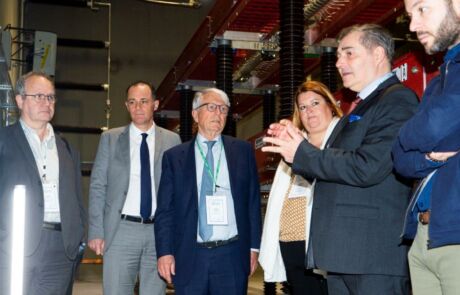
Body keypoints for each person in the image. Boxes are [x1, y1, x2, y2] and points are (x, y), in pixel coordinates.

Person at [262, 24, 419, 295]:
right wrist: (293, 151)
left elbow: (367, 167)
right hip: (345, 257)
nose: (339, 63)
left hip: (372, 259)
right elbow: (335, 173)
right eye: (337, 56)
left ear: (379, 54)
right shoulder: (360, 109)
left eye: (348, 54)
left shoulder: (397, 100)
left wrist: (303, 152)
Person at [155, 88, 261, 294]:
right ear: (195, 114)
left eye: (223, 109)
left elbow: (252, 203)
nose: (218, 114)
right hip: (190, 255)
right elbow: (165, 211)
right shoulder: (174, 157)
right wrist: (165, 252)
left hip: (232, 255)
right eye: (211, 107)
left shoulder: (242, 151)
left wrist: (254, 247)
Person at [392, 1, 460, 294]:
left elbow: (434, 125)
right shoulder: (439, 81)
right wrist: (431, 156)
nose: (412, 26)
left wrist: (407, 137)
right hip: (424, 234)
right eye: (409, 15)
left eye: (422, 9)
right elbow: (400, 158)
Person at [88, 81, 180, 295]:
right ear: (127, 106)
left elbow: (177, 191)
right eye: (132, 102)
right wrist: (96, 230)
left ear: (155, 105)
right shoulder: (110, 138)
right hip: (121, 230)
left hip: (159, 233)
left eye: (144, 101)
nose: (138, 107)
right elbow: (98, 185)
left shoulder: (172, 140)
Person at [0, 72, 86, 295]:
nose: (46, 102)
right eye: (38, 96)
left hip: (59, 249)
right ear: (20, 100)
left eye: (50, 97)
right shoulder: (4, 141)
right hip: (13, 246)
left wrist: (78, 238)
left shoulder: (66, 148)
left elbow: (77, 198)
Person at [259, 80, 342, 294]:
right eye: (303, 107)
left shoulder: (342, 144)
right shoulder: (292, 147)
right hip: (290, 242)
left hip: (324, 244)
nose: (309, 111)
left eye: (315, 103)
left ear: (330, 106)